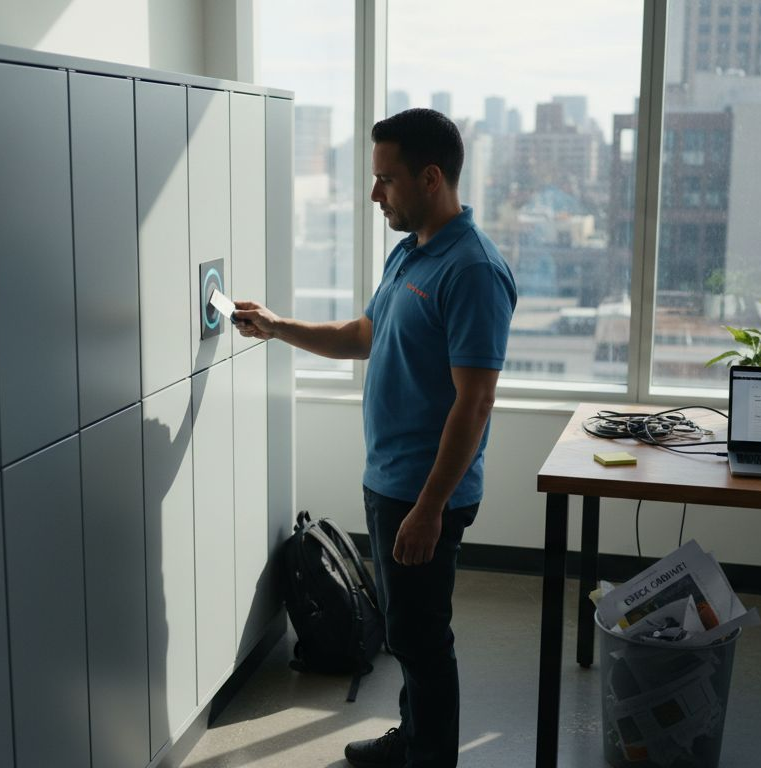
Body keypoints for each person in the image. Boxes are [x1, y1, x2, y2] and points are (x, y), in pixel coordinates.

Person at [233, 108, 516, 768]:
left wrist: (429, 508)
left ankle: (429, 758)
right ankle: (413, 738)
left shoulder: (472, 270)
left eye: (385, 179)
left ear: (431, 177)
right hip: (389, 480)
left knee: (420, 637)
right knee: (406, 629)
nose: (373, 194)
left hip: (423, 493)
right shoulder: (411, 251)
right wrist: (278, 326)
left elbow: (475, 402)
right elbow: (366, 335)